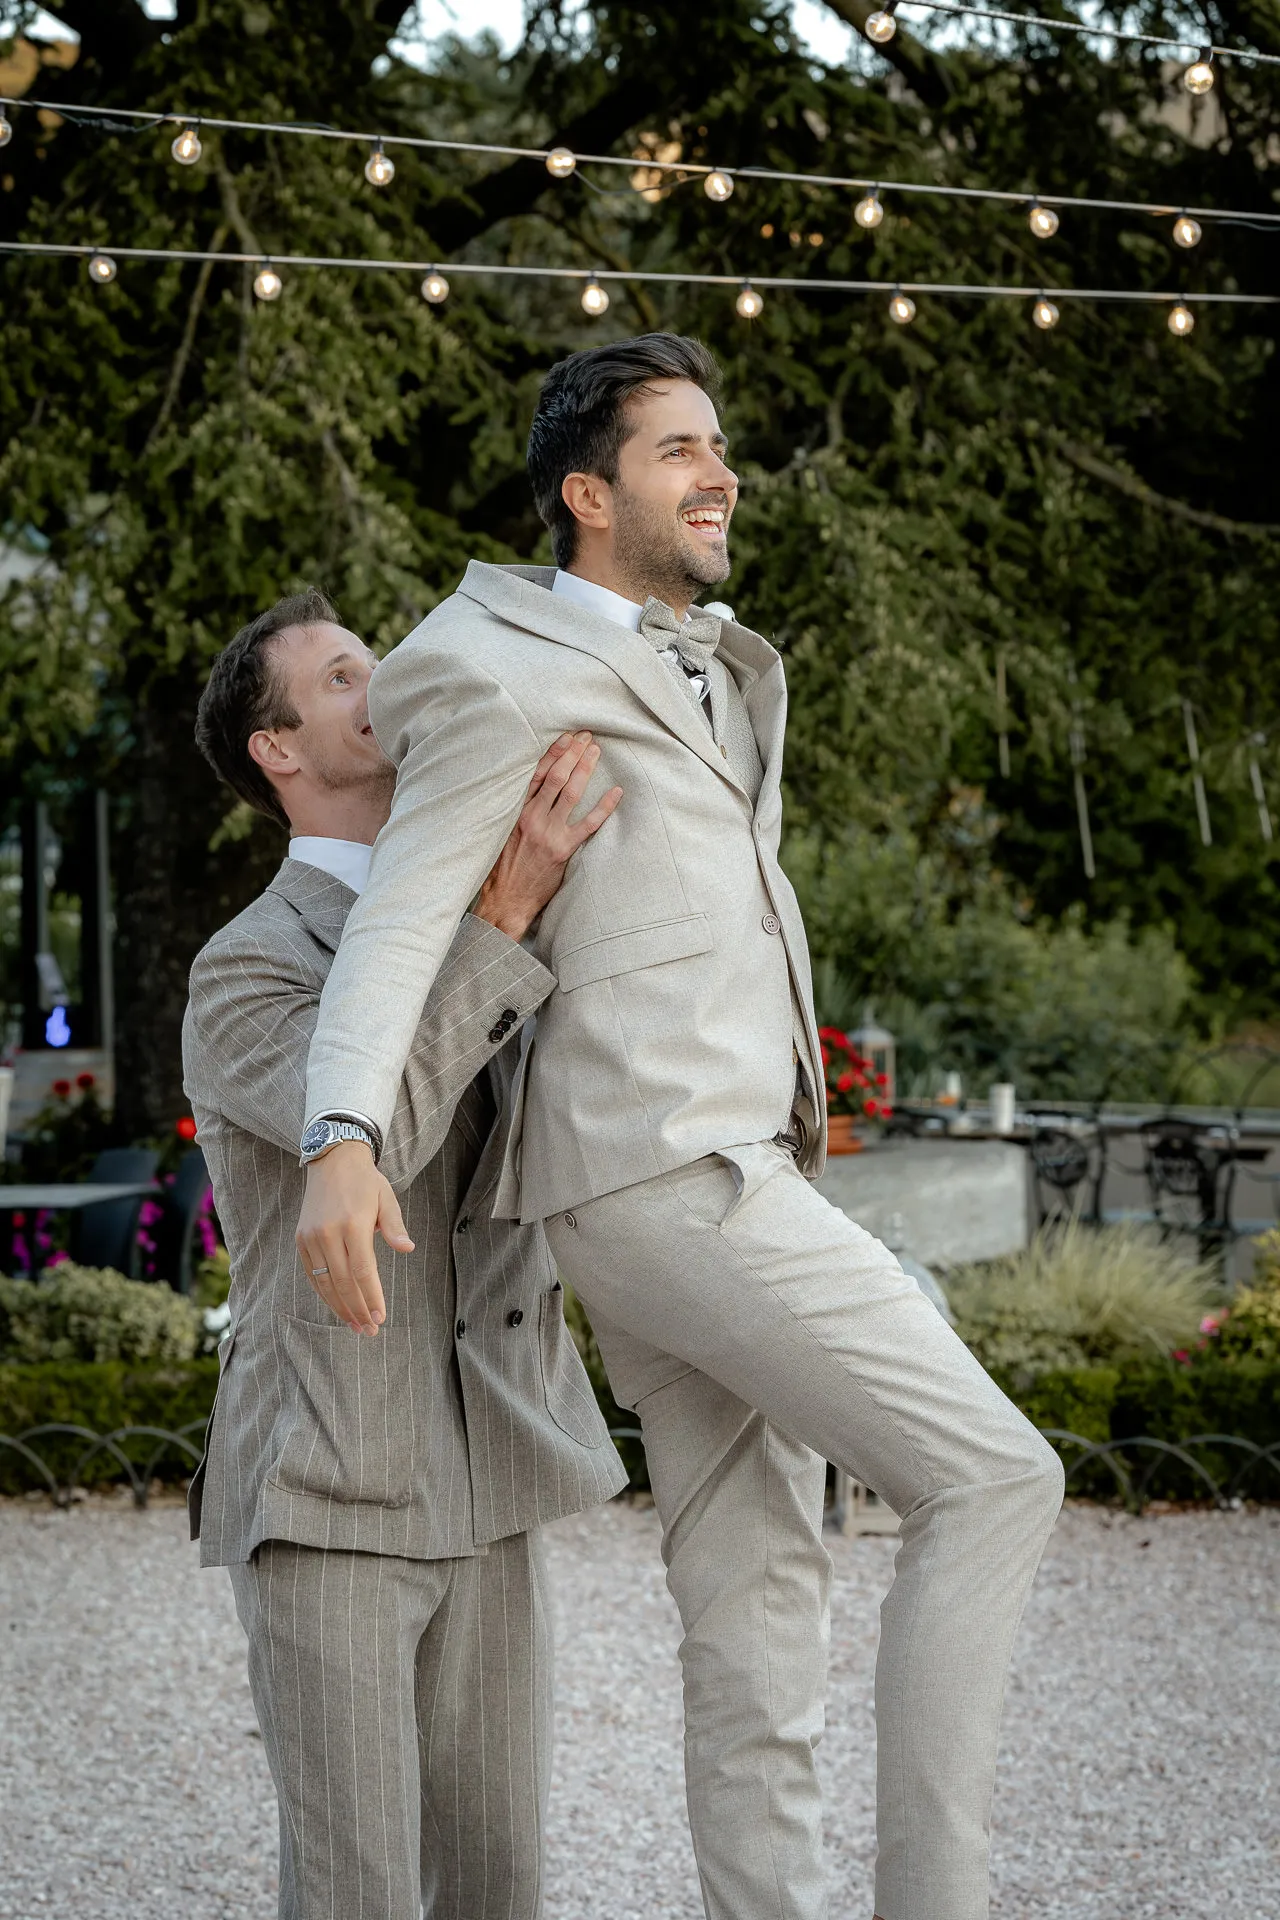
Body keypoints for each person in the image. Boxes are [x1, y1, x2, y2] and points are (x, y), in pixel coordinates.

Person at [295, 337, 1065, 1920]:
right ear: (587, 494)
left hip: (721, 1172)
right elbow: (400, 925)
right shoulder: (484, 660)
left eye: (720, 445)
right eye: (678, 452)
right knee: (996, 1478)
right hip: (667, 1170)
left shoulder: (704, 657)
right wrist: (341, 1133)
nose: (720, 473)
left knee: (760, 1614)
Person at [183, 588, 627, 1920]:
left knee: (500, 1889)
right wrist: (502, 921)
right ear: (278, 748)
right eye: (339, 678)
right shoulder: (245, 970)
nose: (384, 683)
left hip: (493, 1470)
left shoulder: (499, 909)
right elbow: (388, 1135)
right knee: (360, 1894)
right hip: (328, 1481)